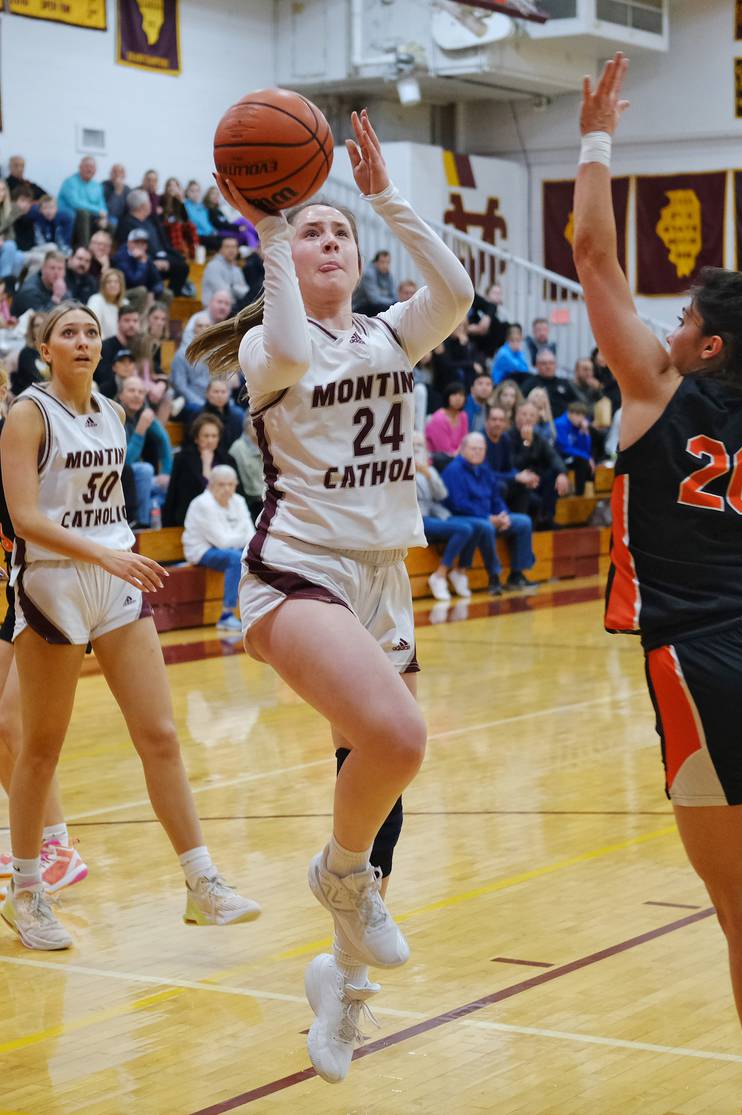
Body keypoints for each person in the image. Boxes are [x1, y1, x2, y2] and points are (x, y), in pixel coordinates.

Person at [185, 108, 473, 1084]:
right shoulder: (276, 348)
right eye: (315, 229)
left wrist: (385, 195)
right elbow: (288, 351)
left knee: (379, 779)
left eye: (338, 231)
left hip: (381, 578)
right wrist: (269, 227)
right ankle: (339, 884)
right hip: (299, 571)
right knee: (393, 744)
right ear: (286, 252)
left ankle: (342, 988)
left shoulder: (394, 335)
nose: (330, 239)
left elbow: (456, 287)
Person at [574, 53, 742, 1115]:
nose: (660, 325)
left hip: (705, 662)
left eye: (680, 320)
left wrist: (594, 138)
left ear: (704, 345)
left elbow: (588, 250)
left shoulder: (657, 391)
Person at [0, 302, 259, 950]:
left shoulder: (113, 414)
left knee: (162, 734)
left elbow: (103, 507)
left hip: (113, 578)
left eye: (91, 331)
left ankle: (201, 882)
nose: (83, 340)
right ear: (44, 347)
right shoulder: (28, 414)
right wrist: (104, 552)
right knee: (40, 747)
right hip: (53, 585)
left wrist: (117, 553)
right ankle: (27, 890)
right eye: (69, 332)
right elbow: (25, 519)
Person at [0, 395, 87, 899]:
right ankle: (33, 838)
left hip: (28, 587)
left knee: (14, 724)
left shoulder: (14, 435)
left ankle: (56, 845)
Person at [442, 433, 535, 593]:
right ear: (462, 449)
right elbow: (458, 503)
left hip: (490, 516)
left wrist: (503, 514)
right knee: (486, 527)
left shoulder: (484, 469)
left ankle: (517, 574)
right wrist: (488, 517)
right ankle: (494, 577)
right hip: (463, 517)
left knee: (523, 522)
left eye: (481, 449)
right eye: (473, 449)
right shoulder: (454, 470)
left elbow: (496, 497)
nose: (477, 452)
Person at [182, 465, 253, 630]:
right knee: (235, 558)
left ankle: (254, 611)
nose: (227, 489)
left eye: (230, 484)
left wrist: (238, 539)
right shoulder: (203, 504)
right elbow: (221, 541)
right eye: (221, 484)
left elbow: (251, 535)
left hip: (231, 550)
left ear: (236, 484)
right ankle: (226, 615)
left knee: (255, 555)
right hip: (201, 551)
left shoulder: (239, 501)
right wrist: (240, 538)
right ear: (211, 485)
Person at [413, 433, 473, 602]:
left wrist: (429, 475)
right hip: (417, 519)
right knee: (464, 529)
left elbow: (442, 495)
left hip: (435, 516)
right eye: (413, 445)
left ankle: (459, 572)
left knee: (472, 527)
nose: (417, 449)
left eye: (420, 445)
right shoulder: (402, 471)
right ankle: (440, 575)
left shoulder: (429, 470)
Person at [117, 375, 172, 526]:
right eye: (131, 391)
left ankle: (157, 521)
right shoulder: (114, 415)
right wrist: (140, 431)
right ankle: (140, 523)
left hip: (134, 476)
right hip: (117, 475)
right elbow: (125, 462)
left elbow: (164, 440)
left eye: (141, 392)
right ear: (120, 395)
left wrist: (166, 472)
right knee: (145, 470)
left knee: (169, 483)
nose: (137, 395)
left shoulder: (143, 413)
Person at [163, 413, 234, 527]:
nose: (210, 440)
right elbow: (173, 493)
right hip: (190, 519)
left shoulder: (228, 460)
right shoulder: (183, 459)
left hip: (223, 519)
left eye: (214, 436)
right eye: (206, 436)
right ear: (196, 438)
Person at [508, 401, 570, 525]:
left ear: (536, 419)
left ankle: (548, 519)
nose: (527, 418)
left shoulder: (538, 437)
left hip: (536, 481)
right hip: (516, 481)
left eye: (531, 415)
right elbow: (514, 464)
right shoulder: (508, 436)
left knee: (554, 475)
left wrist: (562, 474)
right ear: (516, 416)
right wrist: (526, 444)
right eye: (524, 414)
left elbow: (553, 457)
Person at [94, 303, 142, 397]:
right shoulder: (105, 347)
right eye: (127, 320)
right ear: (118, 322)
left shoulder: (140, 347)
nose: (131, 325)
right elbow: (104, 380)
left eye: (135, 321)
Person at [57, 157, 107, 247]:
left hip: (90, 215)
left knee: (110, 224)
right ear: (80, 167)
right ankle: (84, 248)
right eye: (87, 166)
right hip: (72, 214)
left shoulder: (97, 186)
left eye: (92, 167)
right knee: (83, 213)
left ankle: (102, 253)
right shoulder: (70, 182)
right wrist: (98, 212)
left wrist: (103, 217)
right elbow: (75, 203)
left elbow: (102, 205)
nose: (90, 169)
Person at [111, 229, 165, 304]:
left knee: (167, 293)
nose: (139, 246)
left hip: (142, 291)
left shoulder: (146, 257)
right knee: (141, 291)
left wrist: (153, 292)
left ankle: (156, 315)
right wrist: (142, 263)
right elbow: (135, 282)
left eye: (143, 243)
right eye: (136, 242)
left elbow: (157, 280)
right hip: (122, 293)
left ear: (146, 246)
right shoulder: (121, 257)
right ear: (129, 243)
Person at [425, 382, 468, 472]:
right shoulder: (438, 419)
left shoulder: (463, 416)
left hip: (459, 458)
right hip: (439, 463)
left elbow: (465, 441)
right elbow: (445, 451)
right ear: (447, 396)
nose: (458, 398)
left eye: (461, 395)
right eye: (454, 394)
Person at [554, 401, 594, 495]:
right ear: (570, 413)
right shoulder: (560, 424)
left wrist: (585, 433)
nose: (581, 419)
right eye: (578, 415)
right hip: (560, 457)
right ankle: (579, 494)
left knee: (585, 462)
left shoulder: (578, 426)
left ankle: (588, 494)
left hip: (572, 457)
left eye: (583, 416)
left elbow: (585, 449)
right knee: (582, 461)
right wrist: (587, 457)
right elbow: (563, 448)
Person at [228, 414, 263, 520]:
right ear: (248, 426)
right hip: (251, 503)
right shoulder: (238, 448)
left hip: (265, 499)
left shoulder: (267, 445)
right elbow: (248, 489)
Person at [12, 252, 67, 317]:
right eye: (52, 268)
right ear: (43, 269)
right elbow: (40, 320)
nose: (56, 272)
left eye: (60, 269)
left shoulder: (59, 286)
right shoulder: (30, 290)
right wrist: (56, 298)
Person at [528, 348, 577, 418]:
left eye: (551, 363)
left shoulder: (565, 383)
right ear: (537, 365)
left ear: (556, 365)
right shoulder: (530, 384)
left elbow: (576, 403)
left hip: (564, 423)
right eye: (544, 364)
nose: (548, 366)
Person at [200, 236, 248, 306]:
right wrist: (235, 289)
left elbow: (245, 292)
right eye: (227, 247)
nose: (231, 250)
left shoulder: (236, 269)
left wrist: (232, 287)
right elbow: (223, 293)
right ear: (221, 250)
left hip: (232, 308)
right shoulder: (213, 266)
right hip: (213, 310)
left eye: (234, 247)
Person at [11, 312, 47, 396]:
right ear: (32, 330)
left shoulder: (55, 351)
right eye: (37, 325)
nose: (40, 328)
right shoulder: (26, 353)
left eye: (43, 324)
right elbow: (34, 381)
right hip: (30, 397)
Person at [87, 268, 127, 340]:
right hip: (102, 344)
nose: (112, 285)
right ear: (103, 285)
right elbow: (93, 326)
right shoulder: (96, 300)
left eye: (116, 282)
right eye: (109, 282)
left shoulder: (125, 303)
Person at [491, 322, 532, 388]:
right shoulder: (503, 353)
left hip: (510, 383)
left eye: (518, 340)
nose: (515, 343)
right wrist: (520, 352)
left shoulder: (517, 352)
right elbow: (522, 369)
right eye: (512, 340)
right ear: (507, 340)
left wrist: (519, 352)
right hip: (499, 385)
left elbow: (526, 369)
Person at [101, 164, 130, 229]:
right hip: (108, 217)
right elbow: (111, 211)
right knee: (113, 221)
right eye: (114, 172)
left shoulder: (127, 189)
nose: (117, 175)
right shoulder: (104, 186)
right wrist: (117, 192)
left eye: (120, 173)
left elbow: (129, 209)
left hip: (123, 218)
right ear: (110, 174)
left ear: (124, 175)